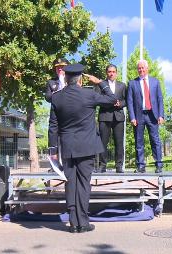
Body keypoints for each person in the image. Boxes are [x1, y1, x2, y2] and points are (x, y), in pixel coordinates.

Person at [48, 63, 118, 233]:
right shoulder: (89, 94)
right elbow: (112, 99)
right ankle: (83, 222)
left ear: (65, 78)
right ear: (80, 79)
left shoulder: (56, 97)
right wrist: (100, 82)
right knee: (84, 184)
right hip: (87, 147)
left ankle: (73, 223)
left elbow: (53, 126)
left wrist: (53, 150)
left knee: (70, 182)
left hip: (68, 147)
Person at [127, 59, 165, 174]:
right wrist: (132, 117)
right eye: (139, 68)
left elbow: (160, 99)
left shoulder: (155, 82)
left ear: (147, 69)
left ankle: (158, 164)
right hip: (138, 116)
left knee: (155, 140)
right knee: (139, 141)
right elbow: (130, 101)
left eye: (143, 68)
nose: (141, 70)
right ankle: (140, 165)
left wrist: (161, 115)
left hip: (152, 115)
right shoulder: (132, 83)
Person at [96, 64, 127, 173]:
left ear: (116, 73)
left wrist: (120, 104)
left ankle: (119, 166)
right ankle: (102, 165)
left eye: (113, 71)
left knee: (119, 143)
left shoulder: (122, 85)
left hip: (118, 117)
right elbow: (98, 99)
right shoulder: (101, 84)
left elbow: (126, 100)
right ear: (106, 73)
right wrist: (110, 103)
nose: (111, 73)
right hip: (105, 116)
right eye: (109, 71)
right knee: (103, 143)